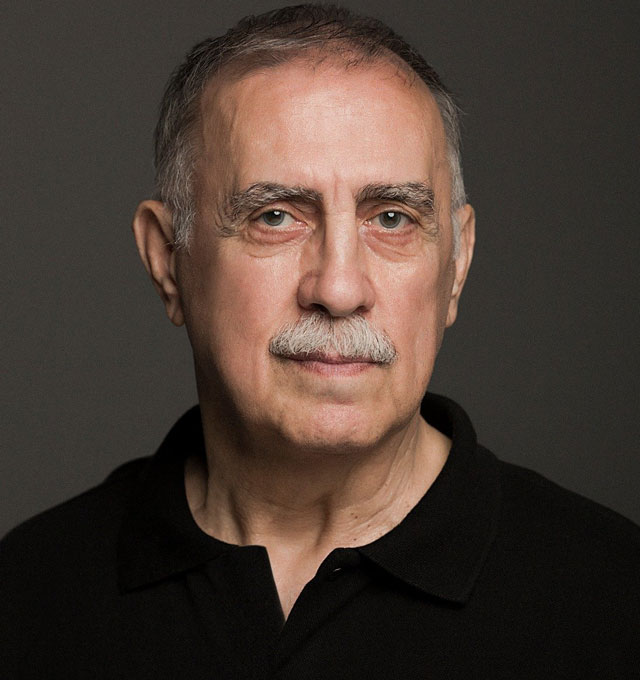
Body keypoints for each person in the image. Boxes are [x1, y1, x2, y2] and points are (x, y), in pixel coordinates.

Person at [2, 4, 639, 679]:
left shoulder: (615, 605)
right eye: (276, 216)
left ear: (457, 265)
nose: (338, 288)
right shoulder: (26, 598)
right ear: (168, 261)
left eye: (391, 218)